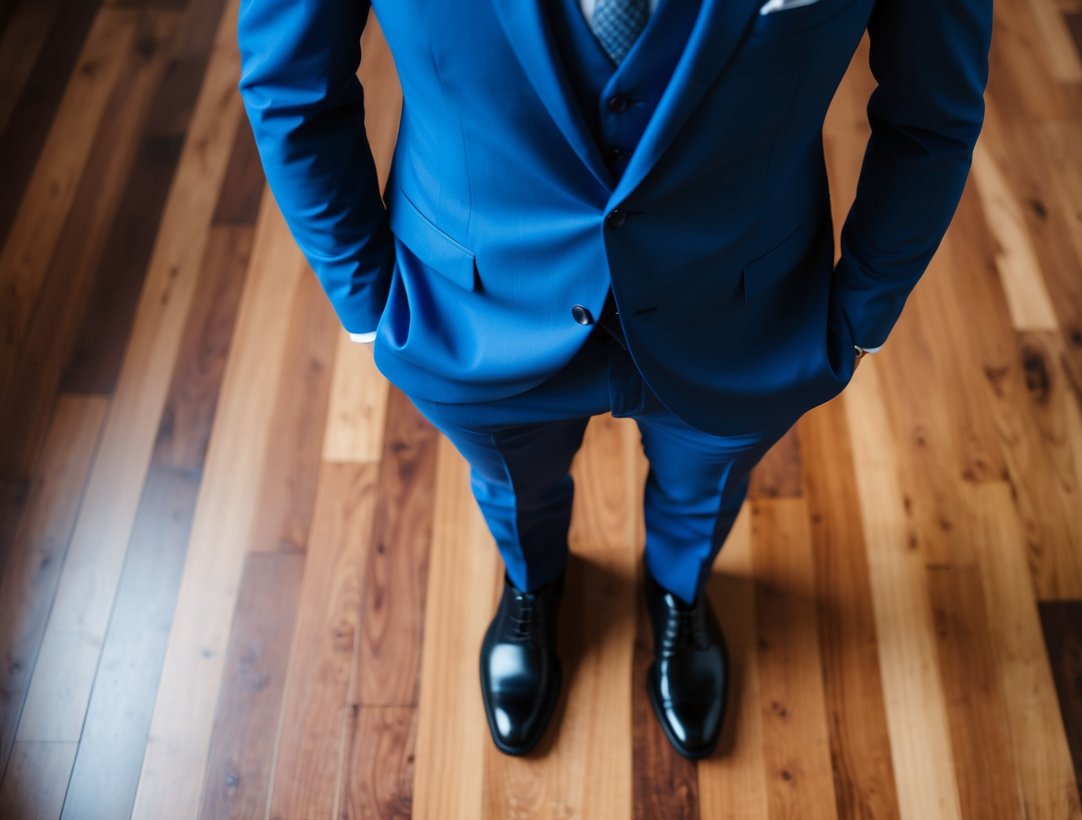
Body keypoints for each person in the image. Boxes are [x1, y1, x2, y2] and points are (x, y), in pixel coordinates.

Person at [236, 0, 992, 758]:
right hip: (472, 306)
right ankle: (531, 585)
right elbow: (290, 86)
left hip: (741, 306)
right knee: (510, 480)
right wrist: (366, 300)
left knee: (707, 486)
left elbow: (932, 111)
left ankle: (680, 593)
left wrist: (861, 313)